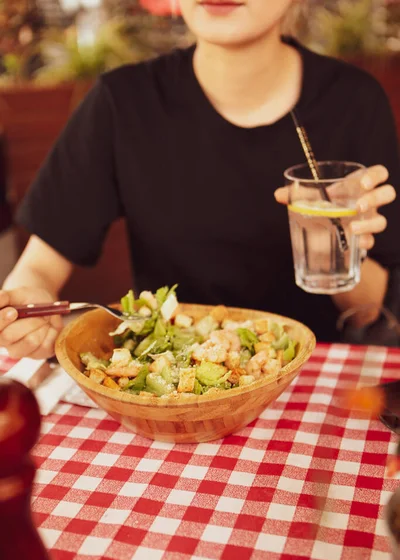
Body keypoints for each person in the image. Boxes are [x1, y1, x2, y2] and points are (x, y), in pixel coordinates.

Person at [0, 0, 399, 359]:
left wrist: (334, 247)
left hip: (313, 389)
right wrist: (27, 308)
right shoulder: (122, 102)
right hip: (167, 391)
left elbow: (372, 312)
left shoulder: (354, 102)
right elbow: (37, 270)